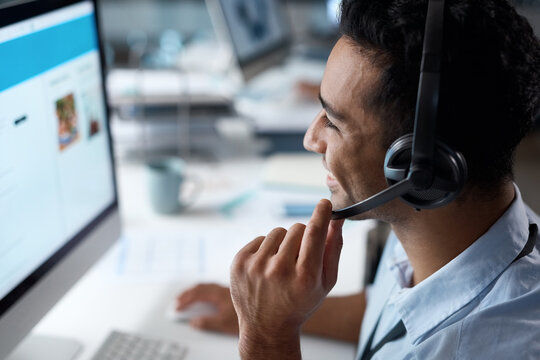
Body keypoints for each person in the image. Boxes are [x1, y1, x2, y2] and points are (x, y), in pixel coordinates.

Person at [177, 0, 540, 358]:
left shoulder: (494, 347)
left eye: (333, 122)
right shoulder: (444, 233)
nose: (310, 138)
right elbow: (401, 312)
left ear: (419, 166)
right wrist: (271, 309)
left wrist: (268, 340)